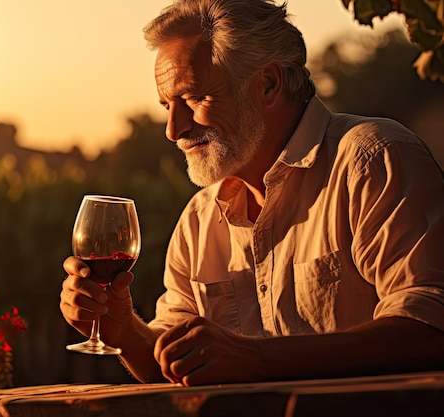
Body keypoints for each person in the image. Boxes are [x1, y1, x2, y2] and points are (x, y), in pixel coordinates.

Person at [60, 0, 444, 386]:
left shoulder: (372, 161)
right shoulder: (199, 219)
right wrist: (122, 328)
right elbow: (174, 364)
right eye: (167, 106)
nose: (173, 130)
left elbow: (430, 327)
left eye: (193, 98)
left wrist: (258, 358)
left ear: (269, 85)